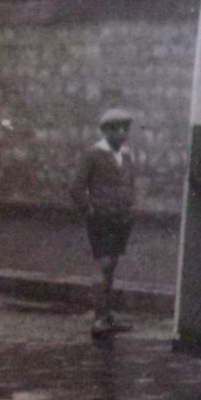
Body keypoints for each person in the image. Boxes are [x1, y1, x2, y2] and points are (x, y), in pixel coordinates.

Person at [71, 107, 138, 337]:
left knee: (112, 267)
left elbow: (129, 184)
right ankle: (98, 318)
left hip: (121, 219)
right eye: (117, 129)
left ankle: (106, 315)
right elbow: (77, 187)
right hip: (102, 219)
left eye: (125, 128)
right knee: (104, 265)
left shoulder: (126, 155)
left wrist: (130, 206)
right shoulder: (93, 155)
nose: (122, 133)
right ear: (106, 131)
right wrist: (90, 210)